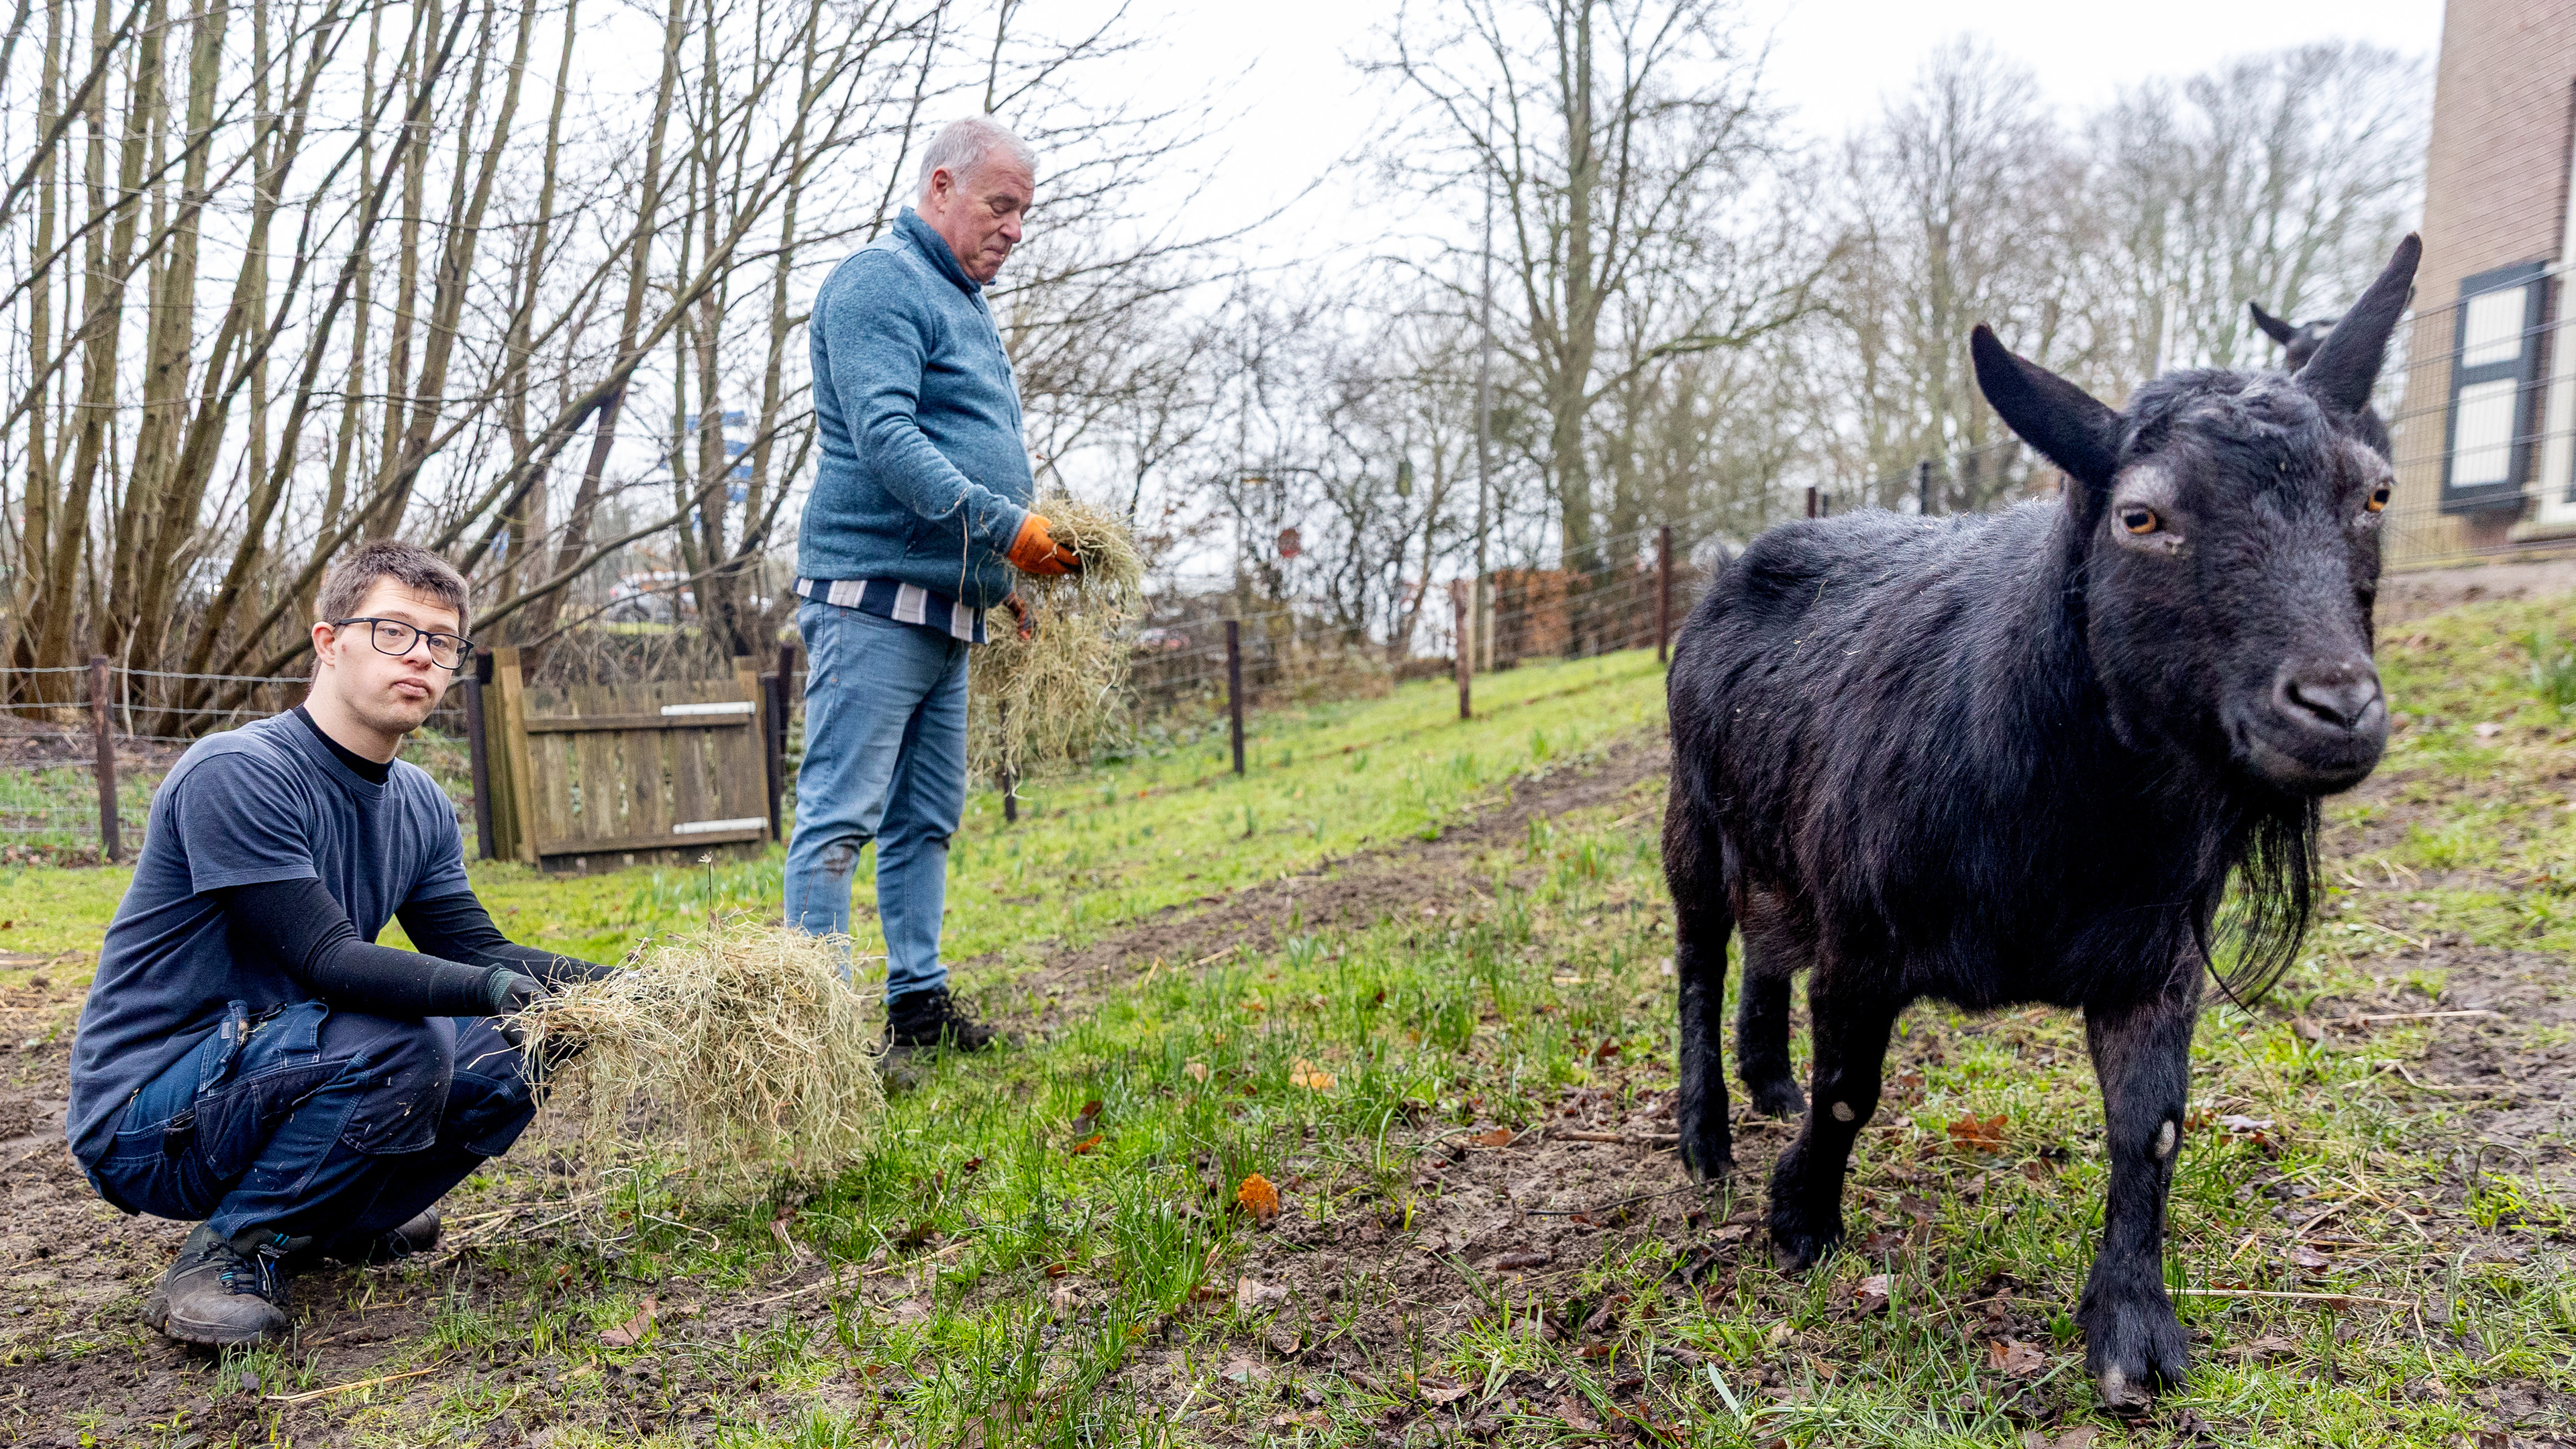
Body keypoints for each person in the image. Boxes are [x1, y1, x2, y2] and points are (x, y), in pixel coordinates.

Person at [63, 541, 613, 1347]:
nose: (421, 655)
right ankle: (227, 1256)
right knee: (405, 1037)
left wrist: (631, 987)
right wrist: (487, 991)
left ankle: (338, 1218)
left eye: (441, 640)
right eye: (394, 631)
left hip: (275, 1069)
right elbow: (327, 961)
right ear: (329, 642)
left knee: (535, 1034)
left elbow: (477, 946)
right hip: (151, 1115)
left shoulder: (420, 802)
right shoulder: (236, 772)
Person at [786, 115, 1080, 1051]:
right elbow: (887, 441)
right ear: (941, 186)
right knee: (838, 819)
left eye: (1025, 213)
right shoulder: (880, 280)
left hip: (947, 607)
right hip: (871, 598)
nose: (1014, 229)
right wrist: (1006, 530)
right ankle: (818, 1041)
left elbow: (966, 448)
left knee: (926, 821)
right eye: (1001, 205)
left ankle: (917, 1008)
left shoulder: (963, 300)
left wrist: (1004, 578)